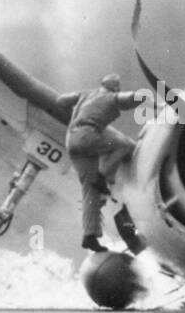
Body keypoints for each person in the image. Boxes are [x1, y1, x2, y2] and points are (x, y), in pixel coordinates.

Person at [57, 74, 139, 251]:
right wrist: (145, 98)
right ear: (116, 87)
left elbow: (61, 100)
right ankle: (103, 176)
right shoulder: (111, 96)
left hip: (71, 140)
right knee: (123, 144)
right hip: (88, 136)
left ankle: (90, 236)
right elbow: (129, 98)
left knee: (90, 191)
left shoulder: (85, 94)